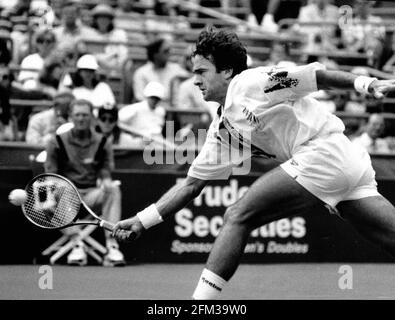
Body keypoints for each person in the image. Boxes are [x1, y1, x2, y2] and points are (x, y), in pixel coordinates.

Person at [113, 28, 395, 299]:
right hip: (344, 162)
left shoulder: (251, 83)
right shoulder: (221, 131)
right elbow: (190, 186)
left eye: (201, 72)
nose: (195, 80)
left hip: (324, 153)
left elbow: (315, 77)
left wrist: (366, 84)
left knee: (238, 215)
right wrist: (142, 220)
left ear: (226, 71)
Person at [45, 99, 125, 266]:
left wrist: (105, 180)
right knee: (59, 191)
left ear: (92, 118)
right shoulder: (56, 141)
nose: (81, 119)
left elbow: (104, 169)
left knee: (113, 190)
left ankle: (112, 246)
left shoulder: (103, 141)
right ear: (71, 118)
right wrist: (60, 186)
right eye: (77, 115)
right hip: (65, 196)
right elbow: (50, 175)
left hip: (90, 195)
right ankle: (77, 243)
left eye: (85, 115)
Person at [132, 37, 189, 105]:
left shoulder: (176, 69)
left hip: (174, 111)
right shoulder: (141, 73)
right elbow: (140, 98)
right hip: (150, 112)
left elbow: (191, 83)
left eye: (169, 50)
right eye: (166, 51)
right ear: (155, 54)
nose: (169, 53)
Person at [90, 4, 131, 73]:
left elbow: (123, 55)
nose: (103, 21)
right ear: (95, 20)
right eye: (100, 18)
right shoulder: (89, 34)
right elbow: (93, 57)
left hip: (116, 70)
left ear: (110, 20)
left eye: (106, 18)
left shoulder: (120, 34)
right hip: (95, 71)